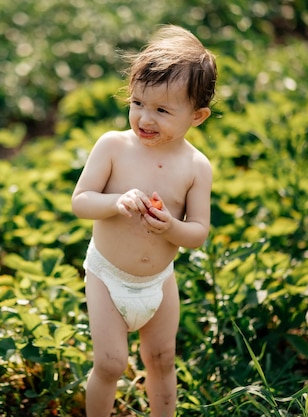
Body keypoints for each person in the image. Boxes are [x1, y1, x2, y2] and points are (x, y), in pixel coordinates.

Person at [71, 24, 217, 417]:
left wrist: (171, 226)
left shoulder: (196, 167)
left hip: (158, 282)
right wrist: (116, 201)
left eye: (162, 110)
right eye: (137, 103)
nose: (144, 118)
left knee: (162, 359)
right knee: (111, 363)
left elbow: (198, 233)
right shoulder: (114, 146)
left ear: (197, 116)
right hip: (108, 277)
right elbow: (81, 202)